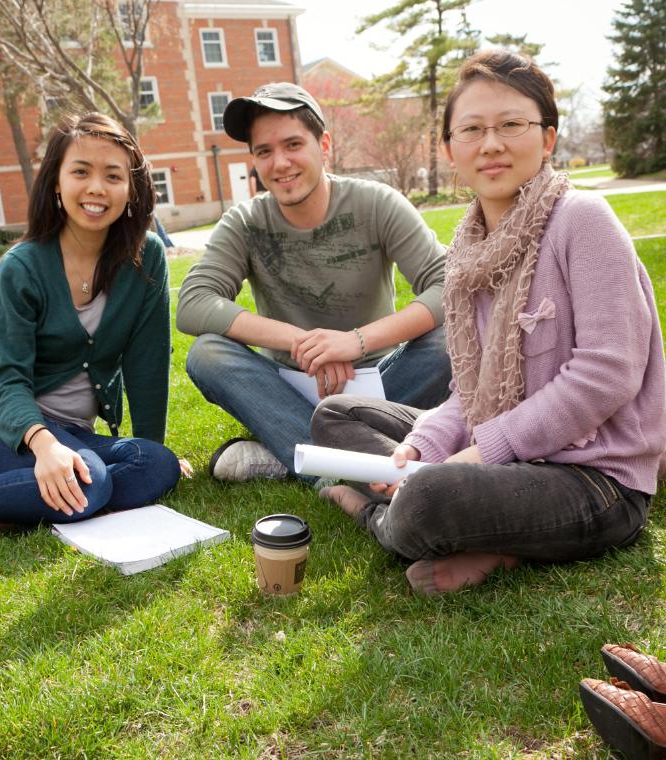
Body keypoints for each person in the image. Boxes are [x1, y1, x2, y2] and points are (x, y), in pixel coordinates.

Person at [312, 50, 666, 594]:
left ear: (547, 137)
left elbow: (607, 374)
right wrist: (422, 450)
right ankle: (430, 505)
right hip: (498, 450)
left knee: (429, 500)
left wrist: (480, 454)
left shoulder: (583, 220)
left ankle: (382, 514)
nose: (492, 144)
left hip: (595, 478)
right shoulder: (468, 252)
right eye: (472, 129)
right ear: (451, 150)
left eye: (511, 125)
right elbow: (467, 392)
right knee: (335, 416)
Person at [0, 113, 182, 550]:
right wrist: (43, 443)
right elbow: (8, 380)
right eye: (80, 172)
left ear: (131, 189)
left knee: (157, 465)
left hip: (75, 433)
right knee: (89, 484)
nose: (96, 187)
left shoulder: (145, 257)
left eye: (113, 175)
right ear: (56, 182)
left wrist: (149, 452)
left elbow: (147, 364)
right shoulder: (22, 267)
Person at [176, 82, 452, 483]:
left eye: (292, 145)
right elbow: (194, 303)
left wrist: (354, 341)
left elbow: (449, 284)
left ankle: (297, 455)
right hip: (288, 387)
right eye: (264, 152)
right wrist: (302, 342)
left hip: (380, 380)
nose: (280, 163)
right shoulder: (245, 222)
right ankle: (345, 460)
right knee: (207, 354)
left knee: (451, 340)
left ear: (324, 146)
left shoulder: (376, 203)